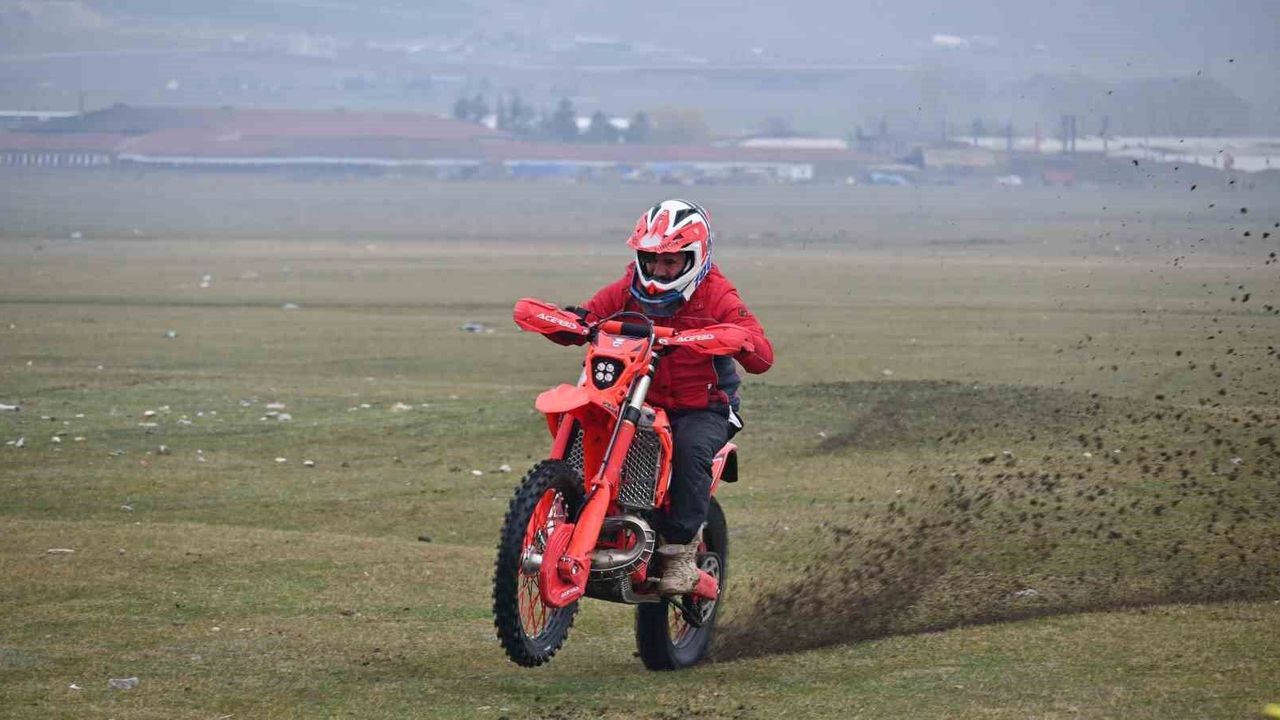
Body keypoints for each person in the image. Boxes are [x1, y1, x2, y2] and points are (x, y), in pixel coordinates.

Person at [563, 199, 773, 596]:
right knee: (580, 423)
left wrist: (738, 341)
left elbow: (762, 354)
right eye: (651, 260)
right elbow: (589, 316)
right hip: (632, 398)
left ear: (695, 258)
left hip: (702, 407)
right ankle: (559, 510)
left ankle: (680, 553)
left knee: (691, 450)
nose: (658, 271)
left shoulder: (717, 295)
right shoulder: (626, 289)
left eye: (670, 262)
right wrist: (569, 324)